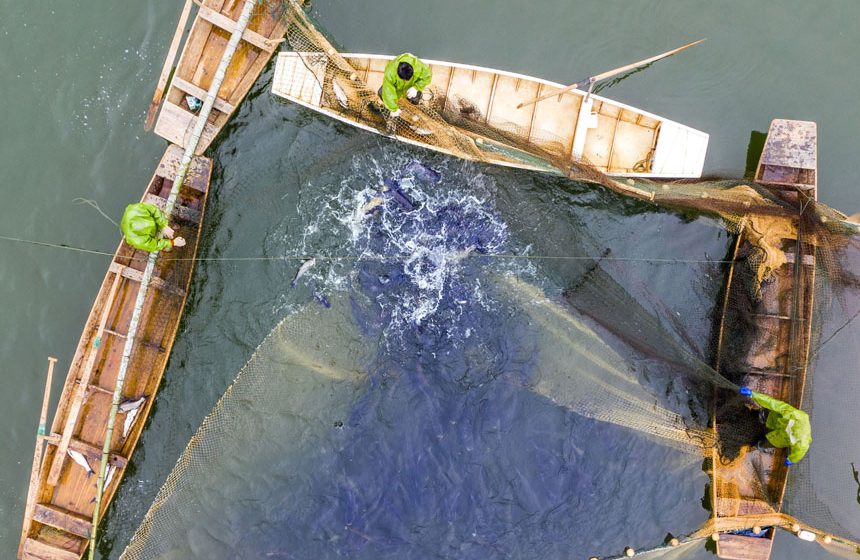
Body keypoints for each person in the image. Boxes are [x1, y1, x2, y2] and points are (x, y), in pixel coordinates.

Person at [740, 386, 811, 465]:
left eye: (789, 432)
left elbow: (799, 453)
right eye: (788, 428)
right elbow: (771, 402)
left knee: (766, 443)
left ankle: (755, 447)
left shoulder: (802, 444)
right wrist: (752, 394)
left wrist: (791, 459)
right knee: (766, 413)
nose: (786, 430)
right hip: (776, 418)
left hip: (782, 438)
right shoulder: (792, 413)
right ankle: (757, 413)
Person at [379, 53, 433, 118]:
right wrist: (393, 109)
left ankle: (414, 111)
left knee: (415, 99)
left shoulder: (420, 67)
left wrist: (416, 87)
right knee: (381, 93)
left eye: (407, 79)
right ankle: (390, 107)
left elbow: (427, 77)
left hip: (411, 88)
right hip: (397, 88)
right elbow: (388, 92)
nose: (405, 81)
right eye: (403, 79)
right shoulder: (390, 71)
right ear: (397, 72)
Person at [120, 202, 185, 253]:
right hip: (150, 237)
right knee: (158, 242)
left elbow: (154, 210)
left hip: (155, 221)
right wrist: (173, 243)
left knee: (163, 218)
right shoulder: (138, 241)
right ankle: (165, 244)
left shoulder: (137, 209)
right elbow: (154, 245)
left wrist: (164, 226)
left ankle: (169, 225)